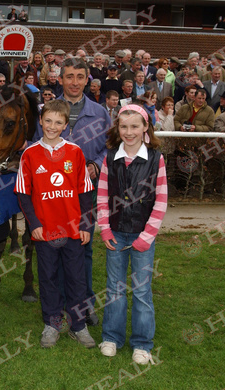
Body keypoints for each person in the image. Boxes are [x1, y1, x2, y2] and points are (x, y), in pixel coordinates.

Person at [15, 99, 96, 348]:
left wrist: (85, 225)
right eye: (48, 120)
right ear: (40, 121)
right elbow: (23, 193)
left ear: (65, 125)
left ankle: (78, 325)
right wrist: (34, 224)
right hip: (45, 231)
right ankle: (52, 324)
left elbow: (85, 193)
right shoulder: (29, 154)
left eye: (58, 122)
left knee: (76, 278)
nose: (52, 126)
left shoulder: (75, 152)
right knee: (48, 277)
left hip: (72, 230)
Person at [97, 104, 167, 365]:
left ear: (145, 127)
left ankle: (142, 343)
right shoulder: (109, 157)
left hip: (142, 237)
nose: (129, 132)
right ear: (118, 128)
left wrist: (147, 236)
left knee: (141, 290)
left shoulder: (155, 158)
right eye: (123, 127)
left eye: (135, 126)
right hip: (115, 234)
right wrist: (104, 229)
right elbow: (102, 196)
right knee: (114, 289)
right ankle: (111, 337)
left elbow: (161, 201)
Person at [57, 58, 112, 326]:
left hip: (84, 193)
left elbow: (109, 147)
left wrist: (96, 165)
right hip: (53, 194)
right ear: (60, 79)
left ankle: (84, 303)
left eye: (80, 76)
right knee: (54, 248)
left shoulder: (100, 113)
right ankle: (57, 304)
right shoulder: (49, 110)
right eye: (69, 76)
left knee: (84, 248)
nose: (75, 82)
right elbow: (34, 144)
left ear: (87, 79)